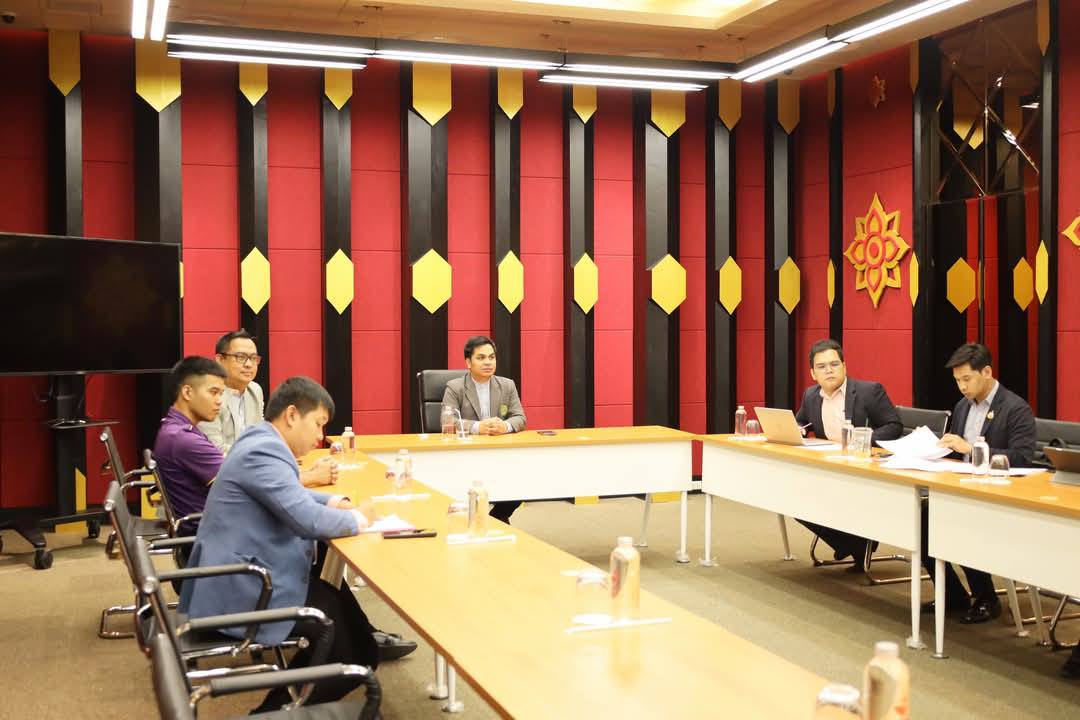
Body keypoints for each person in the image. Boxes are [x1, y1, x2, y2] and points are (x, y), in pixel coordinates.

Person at [178, 376, 414, 711]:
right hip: (246, 586)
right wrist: (358, 518)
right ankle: (270, 715)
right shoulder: (263, 450)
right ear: (291, 415)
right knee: (344, 647)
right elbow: (306, 519)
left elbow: (289, 492)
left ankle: (307, 691)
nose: (320, 436)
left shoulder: (262, 440)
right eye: (318, 424)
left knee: (345, 620)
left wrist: (334, 501)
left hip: (256, 571)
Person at [921, 343, 1036, 624]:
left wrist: (971, 449)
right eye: (957, 381)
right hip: (963, 487)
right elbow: (957, 450)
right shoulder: (963, 406)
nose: (962, 387)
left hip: (998, 493)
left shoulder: (1015, 408)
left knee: (962, 521)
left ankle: (986, 597)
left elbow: (1022, 458)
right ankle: (953, 594)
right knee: (921, 520)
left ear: (986, 372)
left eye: (967, 379)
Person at [794, 339, 903, 572]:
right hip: (830, 467)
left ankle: (855, 546)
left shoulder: (869, 391)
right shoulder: (811, 395)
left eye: (834, 364)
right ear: (813, 374)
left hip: (863, 468)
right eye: (822, 367)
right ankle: (853, 544)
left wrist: (862, 440)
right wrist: (798, 428)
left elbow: (894, 426)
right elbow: (800, 421)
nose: (829, 370)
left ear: (844, 366)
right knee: (794, 498)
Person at [200, 329, 338, 488]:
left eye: (253, 358)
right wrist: (269, 455)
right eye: (240, 357)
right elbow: (216, 452)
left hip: (254, 470)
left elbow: (261, 436)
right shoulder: (209, 396)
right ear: (219, 360)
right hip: (225, 479)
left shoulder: (255, 390)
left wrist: (279, 454)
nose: (248, 364)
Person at [441, 336, 527, 523]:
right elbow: (447, 420)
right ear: (468, 363)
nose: (488, 362)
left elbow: (520, 418)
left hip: (500, 453)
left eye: (491, 357)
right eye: (481, 358)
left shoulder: (507, 385)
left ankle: (498, 517)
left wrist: (505, 426)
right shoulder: (455, 387)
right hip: (466, 454)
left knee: (524, 478)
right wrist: (477, 427)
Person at [152, 356, 227, 536]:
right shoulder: (183, 439)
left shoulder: (176, 429)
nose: (219, 401)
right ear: (187, 392)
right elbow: (241, 483)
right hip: (210, 536)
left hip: (208, 527)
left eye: (221, 394)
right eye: (213, 392)